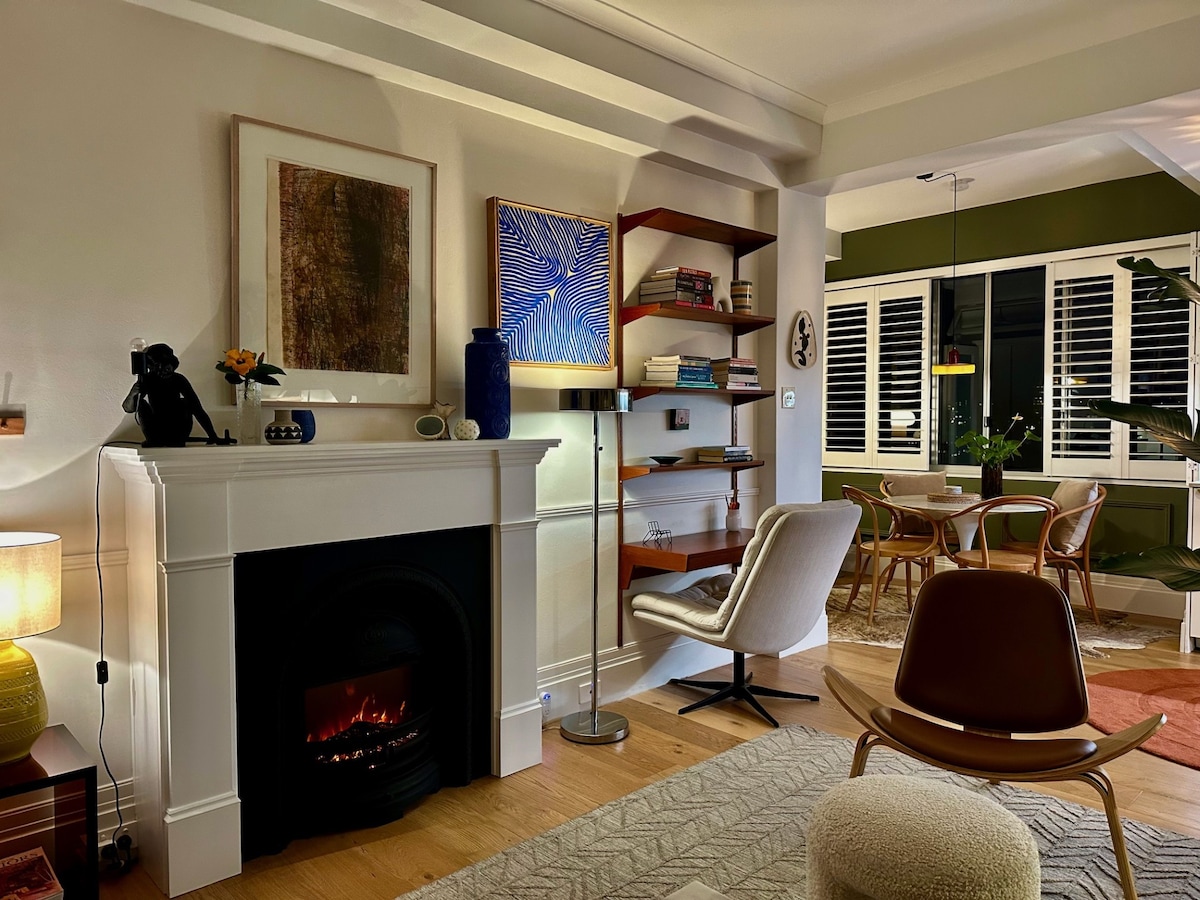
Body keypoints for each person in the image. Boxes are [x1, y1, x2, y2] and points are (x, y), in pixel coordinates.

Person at [122, 343, 233, 446]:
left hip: (177, 427)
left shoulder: (178, 380)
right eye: (156, 366)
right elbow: (129, 408)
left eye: (165, 366)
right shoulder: (148, 380)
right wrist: (132, 394)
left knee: (185, 402)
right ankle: (154, 439)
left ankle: (175, 439)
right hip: (156, 427)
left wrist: (213, 436)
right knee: (141, 404)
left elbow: (197, 409)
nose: (162, 370)